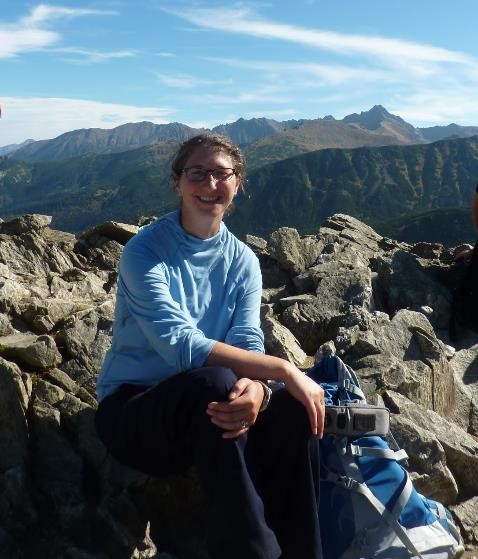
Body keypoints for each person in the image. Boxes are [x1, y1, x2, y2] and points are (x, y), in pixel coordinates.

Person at [95, 133, 325, 559]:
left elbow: (247, 339)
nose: (210, 184)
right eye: (197, 172)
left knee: (294, 410)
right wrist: (283, 370)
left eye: (222, 174)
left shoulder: (242, 260)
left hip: (206, 404)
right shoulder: (145, 251)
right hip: (134, 412)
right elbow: (179, 345)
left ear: (238, 183)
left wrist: (259, 389)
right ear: (177, 181)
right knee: (219, 384)